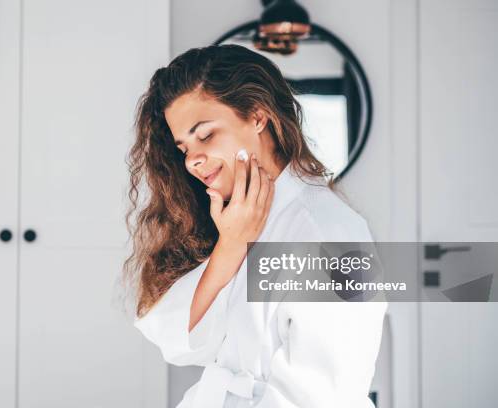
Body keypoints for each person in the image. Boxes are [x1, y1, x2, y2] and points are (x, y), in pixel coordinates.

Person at [122, 44, 386, 408]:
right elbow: (175, 338)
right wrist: (231, 245)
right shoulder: (235, 222)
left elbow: (324, 395)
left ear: (258, 117)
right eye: (184, 148)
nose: (193, 161)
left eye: (206, 135)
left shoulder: (327, 232)